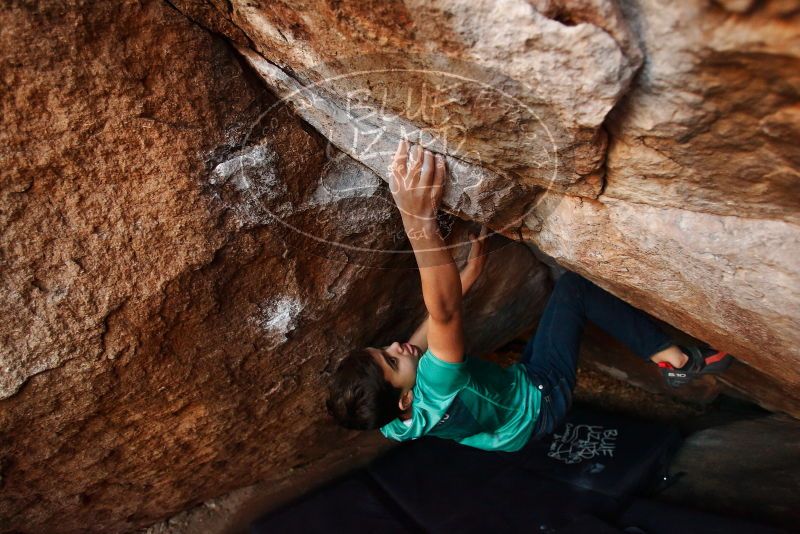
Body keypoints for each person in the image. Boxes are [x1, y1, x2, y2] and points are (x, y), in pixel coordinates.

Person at [325, 139, 733, 452]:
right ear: (407, 398)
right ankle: (674, 360)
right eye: (391, 359)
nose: (396, 345)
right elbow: (444, 315)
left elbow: (428, 332)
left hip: (509, 423)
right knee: (574, 290)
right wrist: (417, 220)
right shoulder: (437, 385)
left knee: (540, 330)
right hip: (539, 402)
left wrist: (469, 276)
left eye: (382, 348)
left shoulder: (392, 421)